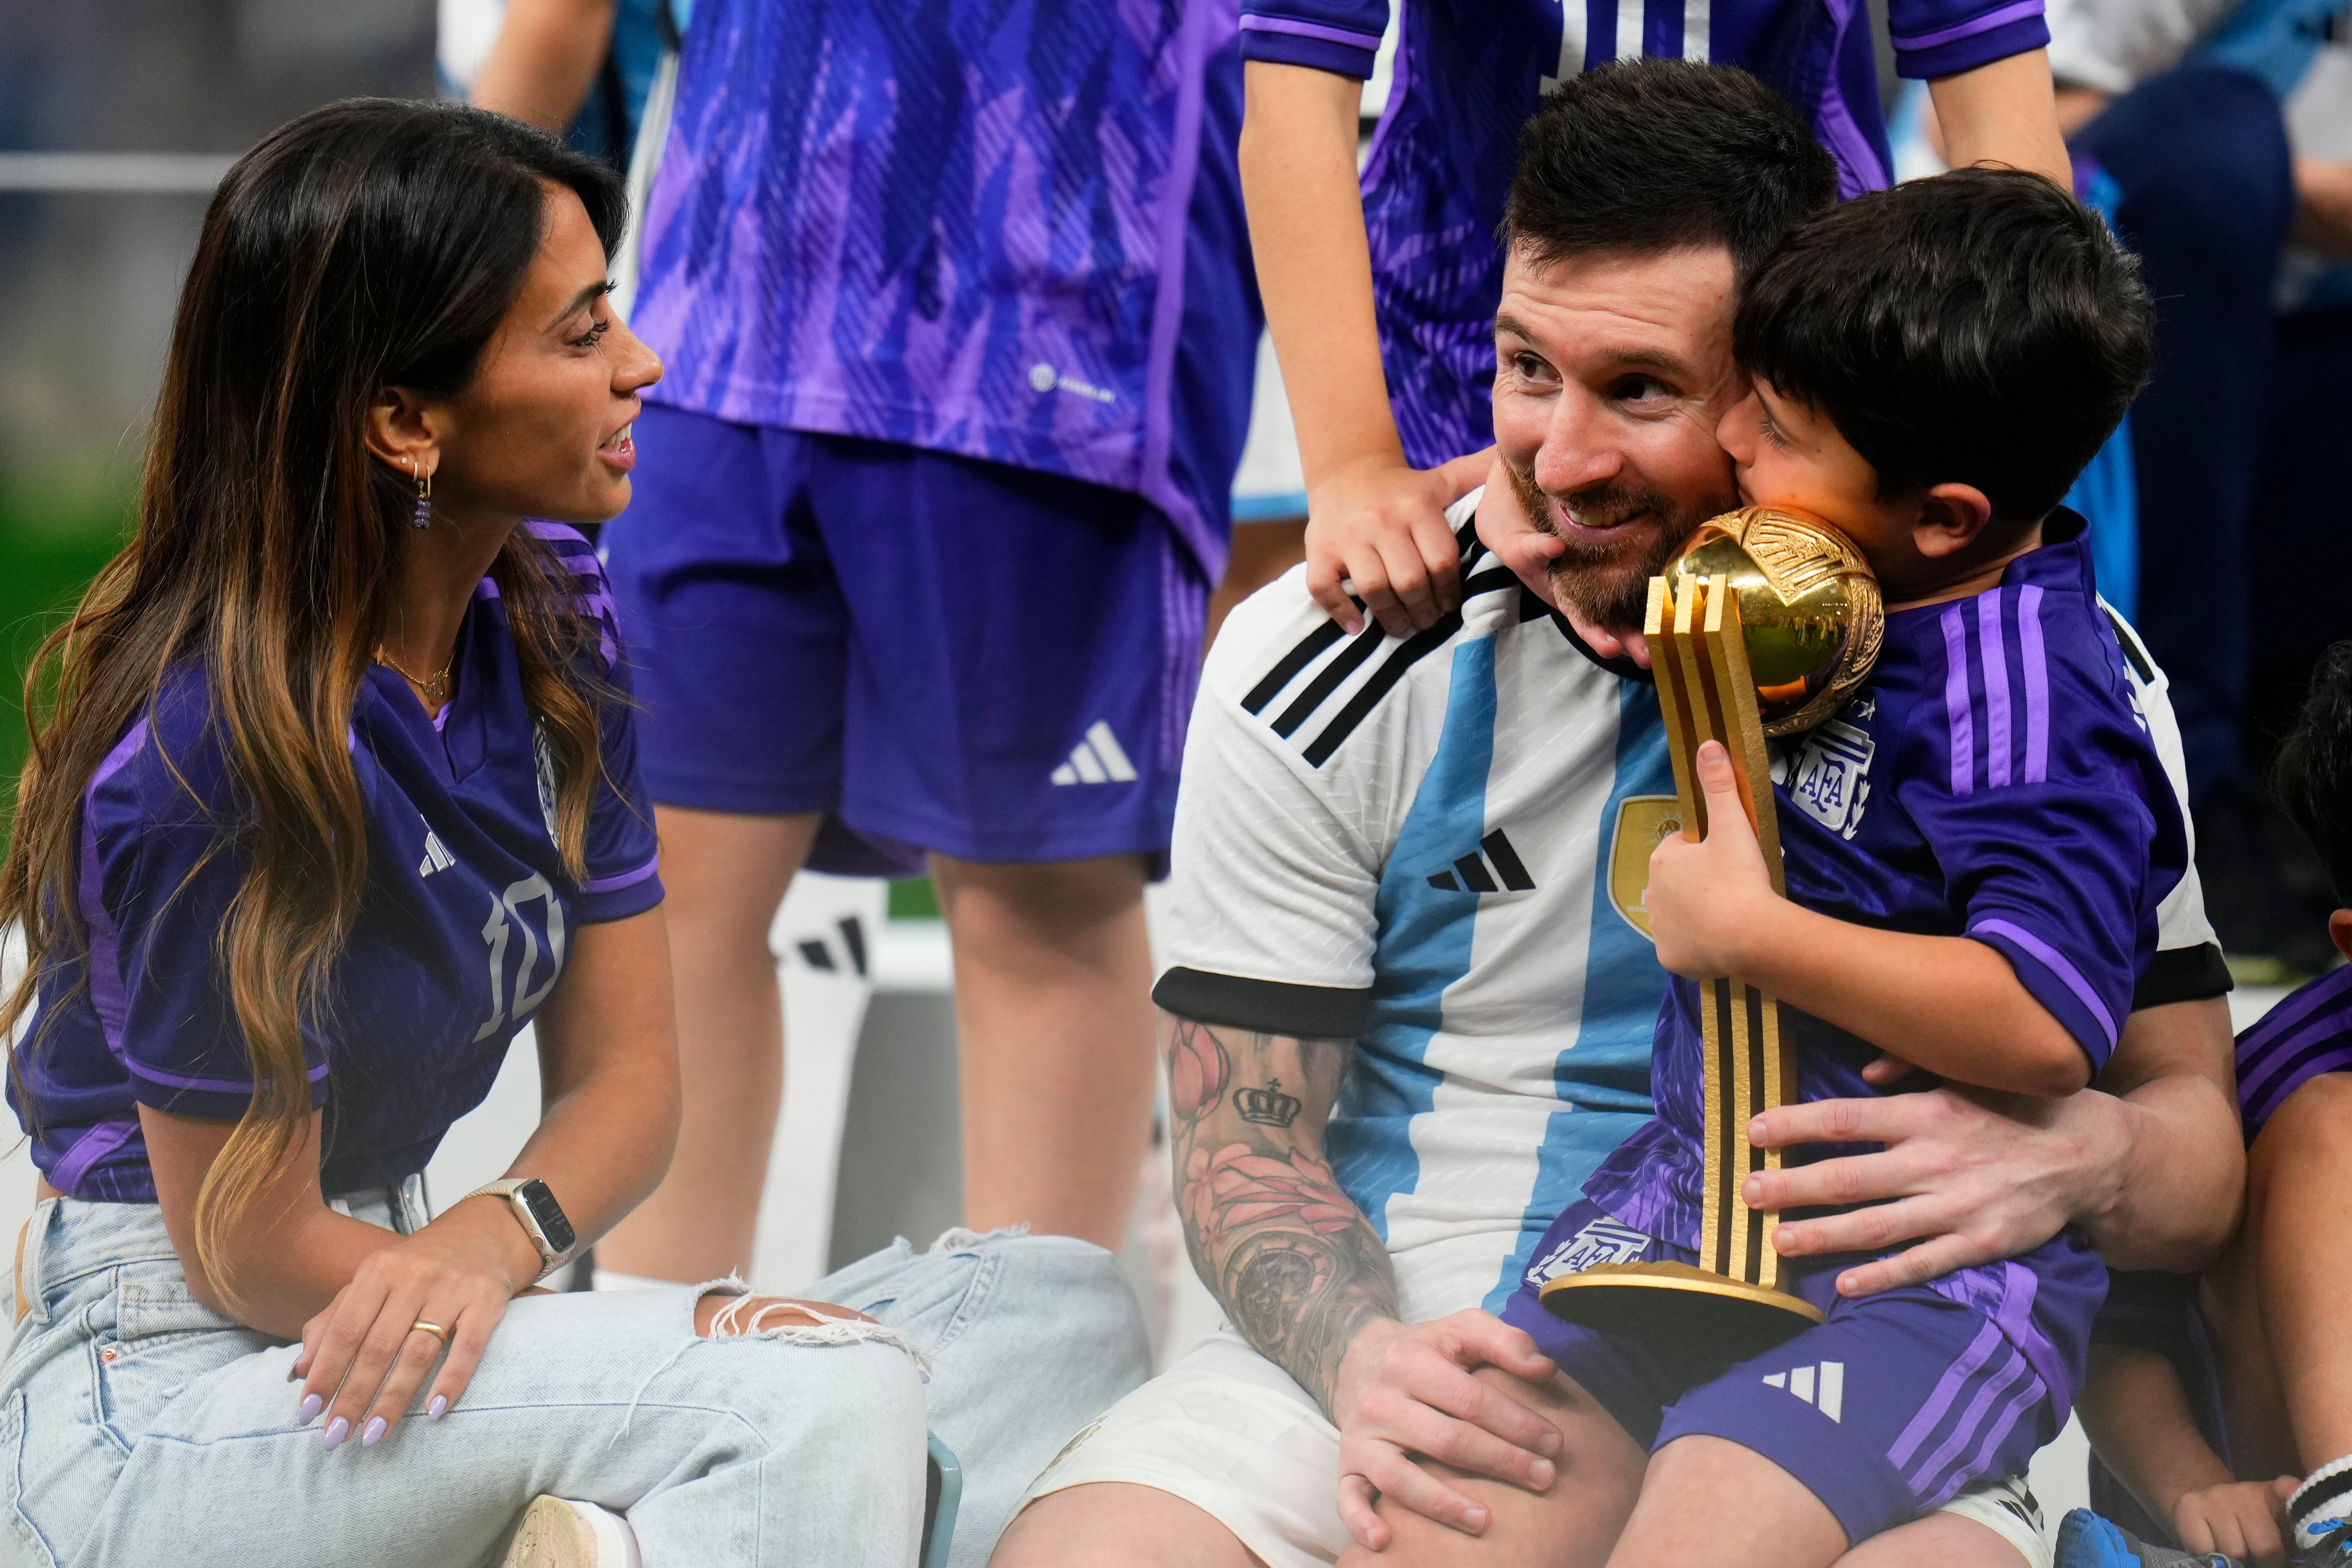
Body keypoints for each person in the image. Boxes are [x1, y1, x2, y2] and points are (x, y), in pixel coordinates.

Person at [992, 60, 2242, 1568]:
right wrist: (1360, 1356)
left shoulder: (2050, 685)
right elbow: (1236, 1136)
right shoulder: (1340, 640)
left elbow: (2187, 1148)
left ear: (1801, 386)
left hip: (1882, 1321)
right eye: (1528, 369)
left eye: (1642, 392)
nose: (1562, 459)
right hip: (1436, 1324)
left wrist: (2077, 1156)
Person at [0, 99, 1144, 1568]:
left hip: (419, 1289)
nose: (640, 362)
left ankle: (624, 1543)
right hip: (168, 1385)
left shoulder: (551, 609)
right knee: (811, 1395)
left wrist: (507, 1243)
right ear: (406, 420)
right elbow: (249, 1243)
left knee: (1057, 1308)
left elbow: (630, 1079)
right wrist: (632, 1340)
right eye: (580, 329)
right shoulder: (211, 747)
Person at [1488, 165, 2176, 1567]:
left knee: (1692, 1538)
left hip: (1921, 1279)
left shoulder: (2033, 697)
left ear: (1945, 517)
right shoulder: (1828, 551)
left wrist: (1750, 930)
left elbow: (2045, 1021)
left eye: (1777, 425)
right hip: (1688, 1196)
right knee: (1456, 1498)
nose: (1729, 440)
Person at [591, 0, 1263, 1282]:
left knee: (1036, 897)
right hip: (724, 294)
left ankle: (1025, 1418)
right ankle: (649, 1396)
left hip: (1051, 314)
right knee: (667, 887)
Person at [1232, 0, 2074, 646]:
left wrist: (1959, 459)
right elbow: (1292, 107)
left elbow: (2015, 193)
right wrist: (1355, 467)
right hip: (1468, 345)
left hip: (1791, 370)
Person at [2055, 640, 2352, 1568]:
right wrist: (2190, 1488)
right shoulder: (2289, 1076)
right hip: (2271, 1491)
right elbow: (2110, 1318)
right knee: (2327, 1129)